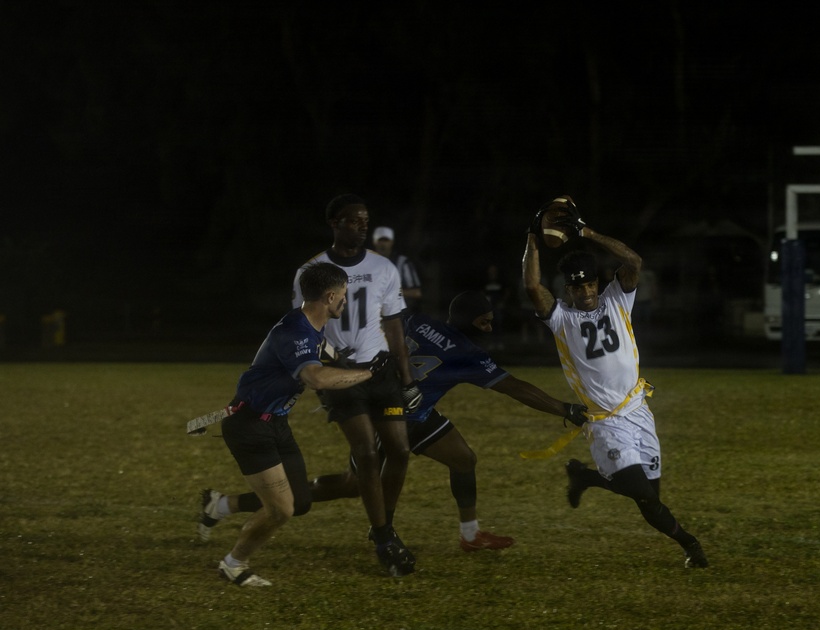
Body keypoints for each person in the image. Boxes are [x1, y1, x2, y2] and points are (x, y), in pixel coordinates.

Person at [202, 291, 589, 553]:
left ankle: (470, 535)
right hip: (388, 416)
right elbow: (514, 387)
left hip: (413, 412)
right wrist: (564, 409)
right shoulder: (467, 352)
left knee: (463, 458)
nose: (490, 328)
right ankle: (225, 505)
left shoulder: (416, 320)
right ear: (471, 321)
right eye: (485, 322)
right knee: (352, 486)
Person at [521, 196, 709, 569]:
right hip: (604, 421)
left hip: (638, 410)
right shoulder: (562, 319)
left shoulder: (617, 300)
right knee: (643, 495)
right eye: (578, 288)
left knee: (650, 495)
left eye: (590, 284)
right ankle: (691, 544)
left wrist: (587, 232)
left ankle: (585, 478)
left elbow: (633, 262)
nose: (586, 293)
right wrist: (532, 236)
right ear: (568, 290)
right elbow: (532, 287)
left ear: (598, 282)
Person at [205, 262, 383, 587]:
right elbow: (315, 378)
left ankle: (220, 505)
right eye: (343, 295)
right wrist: (368, 374)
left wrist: (353, 362)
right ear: (330, 297)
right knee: (281, 510)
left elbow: (325, 352)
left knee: (300, 502)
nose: (346, 300)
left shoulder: (311, 325)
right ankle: (233, 564)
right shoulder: (294, 331)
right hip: (249, 426)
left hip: (276, 423)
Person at [292, 194, 422, 576]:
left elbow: (394, 324)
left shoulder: (384, 267)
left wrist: (407, 377)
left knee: (399, 450)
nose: (362, 227)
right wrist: (326, 357)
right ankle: (384, 540)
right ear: (334, 223)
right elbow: (302, 325)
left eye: (365, 221)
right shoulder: (311, 270)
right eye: (354, 221)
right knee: (366, 454)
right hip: (340, 375)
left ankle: (384, 523)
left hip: (380, 372)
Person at [372, 225, 423, 313]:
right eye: (380, 240)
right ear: (374, 242)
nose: (383, 244)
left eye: (386, 240)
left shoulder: (403, 263)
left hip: (399, 313)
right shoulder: (368, 263)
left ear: (392, 242)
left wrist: (391, 292)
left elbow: (416, 293)